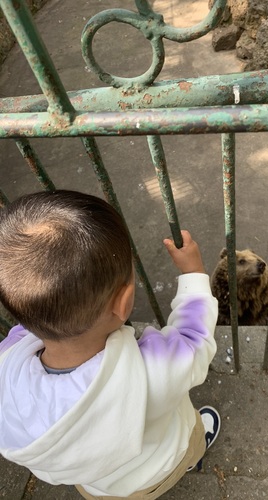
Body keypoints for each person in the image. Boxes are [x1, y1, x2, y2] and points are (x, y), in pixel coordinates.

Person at [0, 190, 220, 499]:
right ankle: (193, 456)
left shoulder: (7, 369)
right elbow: (194, 340)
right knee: (188, 443)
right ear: (124, 301)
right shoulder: (151, 369)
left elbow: (24, 329)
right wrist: (194, 274)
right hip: (160, 463)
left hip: (100, 487)